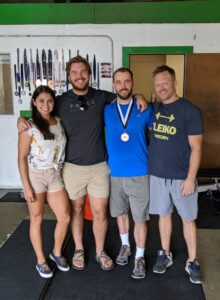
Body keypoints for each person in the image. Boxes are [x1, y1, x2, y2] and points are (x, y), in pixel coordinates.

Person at [18, 55, 147, 272]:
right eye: (75, 72)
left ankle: (99, 251)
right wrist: (20, 120)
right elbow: (41, 111)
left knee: (100, 212)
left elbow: (124, 96)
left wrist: (141, 95)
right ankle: (78, 249)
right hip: (72, 168)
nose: (79, 76)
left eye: (83, 71)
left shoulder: (102, 97)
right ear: (69, 76)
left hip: (99, 167)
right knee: (75, 210)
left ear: (89, 74)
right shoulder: (59, 101)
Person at [149, 65, 204, 284]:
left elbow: (197, 147)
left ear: (174, 82)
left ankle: (192, 261)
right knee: (163, 216)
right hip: (158, 175)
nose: (161, 88)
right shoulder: (154, 108)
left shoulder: (190, 111)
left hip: (182, 177)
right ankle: (165, 253)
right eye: (157, 84)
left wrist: (191, 178)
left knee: (188, 219)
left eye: (164, 83)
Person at [104, 68, 153, 279]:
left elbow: (159, 136)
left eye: (127, 81)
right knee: (120, 214)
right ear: (113, 85)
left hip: (140, 173)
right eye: (119, 82)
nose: (123, 86)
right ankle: (126, 246)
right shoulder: (105, 110)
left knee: (140, 218)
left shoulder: (145, 109)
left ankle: (140, 256)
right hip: (115, 174)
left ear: (132, 83)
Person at [18, 85, 71, 278]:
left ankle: (56, 252)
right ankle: (41, 260)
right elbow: (21, 158)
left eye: (49, 100)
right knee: (37, 218)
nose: (46, 105)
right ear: (34, 102)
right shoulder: (28, 126)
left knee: (65, 216)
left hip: (55, 174)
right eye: (41, 101)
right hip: (36, 176)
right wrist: (26, 186)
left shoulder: (59, 121)